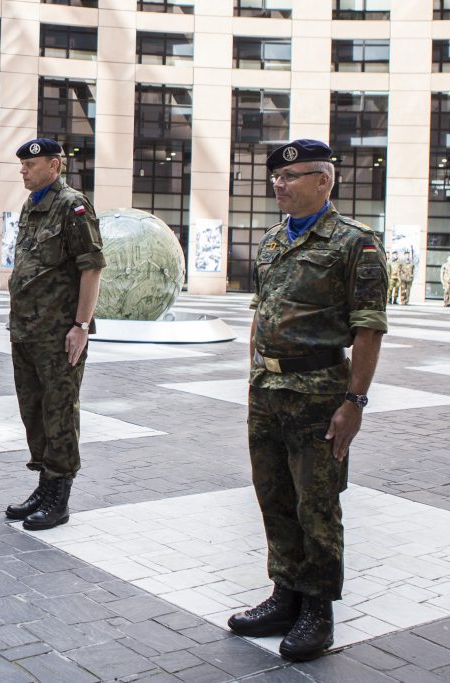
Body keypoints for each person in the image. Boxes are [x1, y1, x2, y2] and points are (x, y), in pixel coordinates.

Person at [227, 139, 387, 662]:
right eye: (277, 176)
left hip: (319, 393)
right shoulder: (273, 240)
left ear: (324, 180)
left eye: (292, 176)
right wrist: (254, 374)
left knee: (316, 504)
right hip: (268, 391)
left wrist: (354, 402)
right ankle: (285, 595)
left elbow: (369, 328)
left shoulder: (355, 243)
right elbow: (261, 311)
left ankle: (318, 610)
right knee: (273, 496)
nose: (280, 184)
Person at [4, 138, 105, 532]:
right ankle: (44, 486)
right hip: (26, 330)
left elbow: (92, 266)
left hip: (58, 333)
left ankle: (59, 496)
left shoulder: (72, 205)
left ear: (54, 166)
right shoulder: (32, 206)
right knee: (33, 411)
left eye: (31, 164)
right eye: (22, 164)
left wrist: (81, 326)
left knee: (59, 412)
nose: (23, 170)